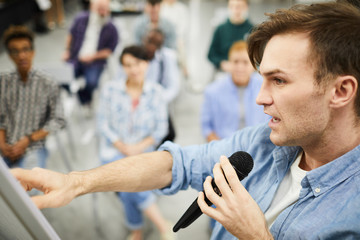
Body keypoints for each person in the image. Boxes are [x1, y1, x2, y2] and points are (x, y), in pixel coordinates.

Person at [11, 2, 360, 239]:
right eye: (262, 78)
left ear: (341, 91)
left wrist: (255, 235)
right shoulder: (263, 143)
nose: (260, 97)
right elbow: (174, 165)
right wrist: (76, 183)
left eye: (279, 80)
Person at [97, 45, 173, 240]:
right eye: (127, 65)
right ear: (122, 67)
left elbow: (161, 129)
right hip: (113, 152)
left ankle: (136, 230)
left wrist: (137, 148)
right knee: (130, 181)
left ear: (146, 64)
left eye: (138, 63)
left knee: (127, 185)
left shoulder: (157, 93)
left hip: (144, 151)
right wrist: (122, 147)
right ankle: (162, 225)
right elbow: (102, 123)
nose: (133, 69)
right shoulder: (110, 90)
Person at [0, 25, 66, 170]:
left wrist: (28, 140)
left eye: (25, 49)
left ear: (33, 52)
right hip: (5, 147)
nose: (21, 55)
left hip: (33, 147)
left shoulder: (48, 83)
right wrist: (2, 144)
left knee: (31, 187)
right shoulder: (3, 81)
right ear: (9, 55)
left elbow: (59, 120)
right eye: (15, 51)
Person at [202, 40, 269, 142]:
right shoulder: (212, 91)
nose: (240, 67)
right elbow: (206, 128)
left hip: (260, 145)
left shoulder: (266, 86)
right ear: (229, 63)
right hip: (224, 147)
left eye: (245, 62)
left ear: (253, 65)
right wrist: (220, 149)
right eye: (236, 62)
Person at [62, 0, 118, 109]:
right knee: (63, 77)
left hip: (95, 62)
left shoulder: (111, 28)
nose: (103, 12)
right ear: (92, 8)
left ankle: (85, 99)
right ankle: (74, 92)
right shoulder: (80, 19)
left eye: (105, 9)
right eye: (100, 9)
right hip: (75, 58)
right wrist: (67, 51)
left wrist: (93, 57)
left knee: (92, 83)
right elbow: (70, 35)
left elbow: (109, 50)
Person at [207, 0, 253, 72]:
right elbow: (211, 55)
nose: (236, 10)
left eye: (239, 7)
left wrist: (251, 66)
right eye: (232, 6)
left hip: (247, 74)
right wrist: (222, 64)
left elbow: (259, 56)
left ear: (246, 7)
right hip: (224, 73)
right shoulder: (220, 29)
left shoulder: (253, 30)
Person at [160, 0, 190, 77]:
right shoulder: (161, 7)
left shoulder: (181, 8)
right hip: (163, 37)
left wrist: (175, 37)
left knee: (180, 45)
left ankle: (185, 70)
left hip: (177, 38)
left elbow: (183, 27)